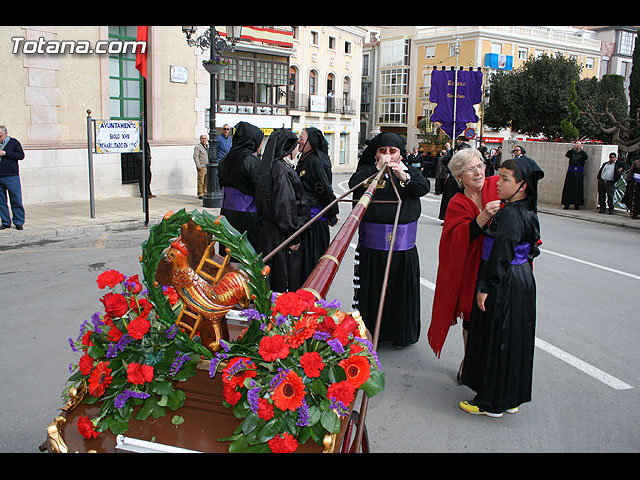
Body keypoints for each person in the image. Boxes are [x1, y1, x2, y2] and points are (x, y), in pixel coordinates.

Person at [460, 155, 544, 417]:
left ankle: (489, 401)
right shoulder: (528, 211)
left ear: (523, 185)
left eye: (505, 179)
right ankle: (509, 397)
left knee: (494, 337)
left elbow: (501, 253)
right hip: (522, 279)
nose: (498, 182)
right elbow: (532, 249)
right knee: (514, 338)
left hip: (503, 281)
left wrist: (486, 286)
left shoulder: (509, 214)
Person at [349, 132, 430, 348]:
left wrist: (404, 176)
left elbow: (423, 188)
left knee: (400, 292)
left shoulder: (408, 172)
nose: (387, 155)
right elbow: (353, 185)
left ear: (400, 155)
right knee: (372, 290)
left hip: (403, 247)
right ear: (375, 154)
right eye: (383, 151)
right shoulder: (367, 172)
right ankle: (370, 332)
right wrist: (376, 171)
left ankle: (401, 334)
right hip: (372, 246)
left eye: (392, 151)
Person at [428, 148, 501, 382]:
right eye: (471, 169)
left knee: (497, 318)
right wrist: (482, 218)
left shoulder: (497, 185)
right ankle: (468, 361)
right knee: (472, 319)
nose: (479, 172)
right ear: (459, 176)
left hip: (498, 266)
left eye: (480, 165)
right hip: (473, 270)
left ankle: (495, 366)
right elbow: (458, 238)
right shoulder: (457, 203)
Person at [255, 129, 311, 292]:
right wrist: (293, 237)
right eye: (294, 145)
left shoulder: (269, 166)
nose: (296, 148)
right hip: (280, 236)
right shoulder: (281, 170)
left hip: (268, 232)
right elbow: (284, 206)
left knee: (270, 279)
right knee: (282, 280)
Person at [295, 127, 339, 283]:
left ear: (311, 142)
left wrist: (332, 214)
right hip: (304, 220)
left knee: (312, 265)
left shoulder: (315, 161)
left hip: (314, 223)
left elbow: (324, 190)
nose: (299, 141)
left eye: (301, 138)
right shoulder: (305, 158)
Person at [217, 121, 264, 255]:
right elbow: (260, 188)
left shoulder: (225, 159)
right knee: (246, 255)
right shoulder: (251, 161)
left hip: (226, 214)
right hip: (248, 216)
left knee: (228, 253)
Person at [0, 125, 26, 230]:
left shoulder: (14, 142)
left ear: (5, 134)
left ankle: (18, 222)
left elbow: (20, 155)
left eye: (0, 136)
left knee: (16, 199)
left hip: (11, 176)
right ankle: (5, 222)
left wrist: (5, 153)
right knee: (1, 201)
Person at [561, 141, 588, 210]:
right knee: (568, 187)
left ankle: (577, 204)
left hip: (579, 172)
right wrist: (573, 149)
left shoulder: (582, 153)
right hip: (571, 171)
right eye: (577, 146)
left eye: (579, 146)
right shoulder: (571, 152)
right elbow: (567, 155)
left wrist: (581, 150)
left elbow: (585, 157)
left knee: (578, 188)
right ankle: (567, 204)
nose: (577, 147)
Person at [193, 134, 208, 199]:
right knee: (200, 181)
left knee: (206, 181)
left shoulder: (208, 146)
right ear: (200, 139)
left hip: (208, 166)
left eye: (205, 138)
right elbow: (195, 157)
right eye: (202, 138)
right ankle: (200, 193)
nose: (204, 140)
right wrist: (198, 165)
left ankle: (205, 192)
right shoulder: (198, 147)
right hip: (201, 166)